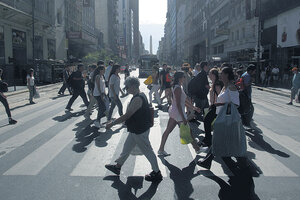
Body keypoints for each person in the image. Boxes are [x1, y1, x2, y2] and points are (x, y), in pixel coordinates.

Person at [105, 77, 163, 182]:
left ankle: (157, 172)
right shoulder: (140, 95)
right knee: (126, 147)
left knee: (148, 151)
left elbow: (128, 115)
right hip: (136, 129)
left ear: (132, 86)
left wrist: (112, 124)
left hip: (139, 130)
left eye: (127, 87)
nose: (126, 89)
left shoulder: (137, 98)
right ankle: (118, 167)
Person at [197, 67, 248, 170]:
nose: (220, 76)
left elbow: (236, 104)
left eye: (222, 74)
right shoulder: (225, 87)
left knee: (219, 139)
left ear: (227, 75)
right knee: (226, 140)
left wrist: (220, 103)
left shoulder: (231, 87)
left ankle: (208, 161)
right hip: (223, 117)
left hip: (229, 119)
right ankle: (242, 162)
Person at [157, 72, 204, 156]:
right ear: (179, 78)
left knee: (169, 130)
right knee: (188, 131)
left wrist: (194, 108)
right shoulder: (178, 88)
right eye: (183, 77)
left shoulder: (178, 87)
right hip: (178, 113)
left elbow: (184, 101)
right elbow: (179, 103)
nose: (185, 78)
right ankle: (197, 149)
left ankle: (161, 149)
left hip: (175, 112)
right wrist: (183, 117)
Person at [201, 68, 223, 147]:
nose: (208, 75)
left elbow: (220, 96)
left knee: (207, 121)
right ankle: (208, 138)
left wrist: (215, 105)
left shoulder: (217, 84)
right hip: (213, 106)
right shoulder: (214, 83)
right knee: (208, 121)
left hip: (216, 107)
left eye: (210, 73)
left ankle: (208, 140)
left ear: (213, 75)